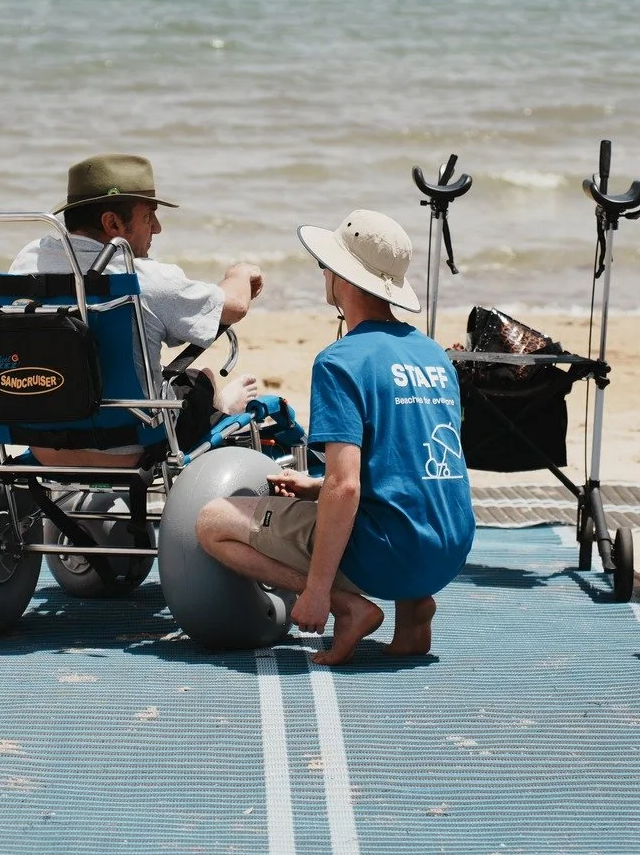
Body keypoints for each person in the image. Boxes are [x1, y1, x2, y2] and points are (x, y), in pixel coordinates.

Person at [196, 210, 476, 665]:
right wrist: (316, 488)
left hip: (390, 554)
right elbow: (421, 460)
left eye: (326, 265)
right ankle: (414, 609)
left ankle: (352, 608)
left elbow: (345, 485)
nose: (323, 273)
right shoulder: (434, 356)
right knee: (364, 498)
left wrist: (318, 592)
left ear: (341, 277)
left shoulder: (341, 360)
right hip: (449, 548)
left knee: (213, 523)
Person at [9, 153, 263, 466]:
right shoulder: (142, 279)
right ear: (112, 222)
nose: (157, 228)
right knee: (200, 379)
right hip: (130, 448)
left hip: (42, 444)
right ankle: (222, 404)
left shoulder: (26, 262)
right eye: (148, 217)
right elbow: (234, 307)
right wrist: (239, 273)